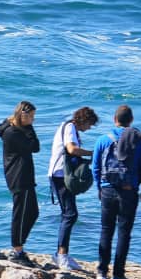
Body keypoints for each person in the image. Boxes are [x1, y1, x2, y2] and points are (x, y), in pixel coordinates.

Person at [92, 104, 141, 279]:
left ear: (114, 120)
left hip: (107, 190)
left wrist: (99, 188)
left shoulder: (103, 139)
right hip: (128, 191)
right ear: (131, 121)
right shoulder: (138, 141)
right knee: (124, 232)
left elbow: (95, 166)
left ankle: (102, 271)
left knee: (106, 230)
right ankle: (118, 275)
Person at [47, 106, 98, 270]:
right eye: (89, 124)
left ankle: (62, 253)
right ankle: (61, 255)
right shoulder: (70, 127)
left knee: (68, 214)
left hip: (62, 175)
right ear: (84, 120)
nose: (89, 128)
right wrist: (93, 153)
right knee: (70, 214)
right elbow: (71, 149)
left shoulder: (69, 127)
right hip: (60, 175)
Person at [0, 101, 40, 264]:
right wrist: (28, 127)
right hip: (19, 176)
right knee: (20, 213)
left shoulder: (16, 129)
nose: (33, 121)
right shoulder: (12, 133)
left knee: (33, 212)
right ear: (23, 115)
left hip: (24, 175)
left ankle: (19, 244)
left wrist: (27, 125)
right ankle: (17, 249)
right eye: (31, 117)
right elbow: (34, 146)